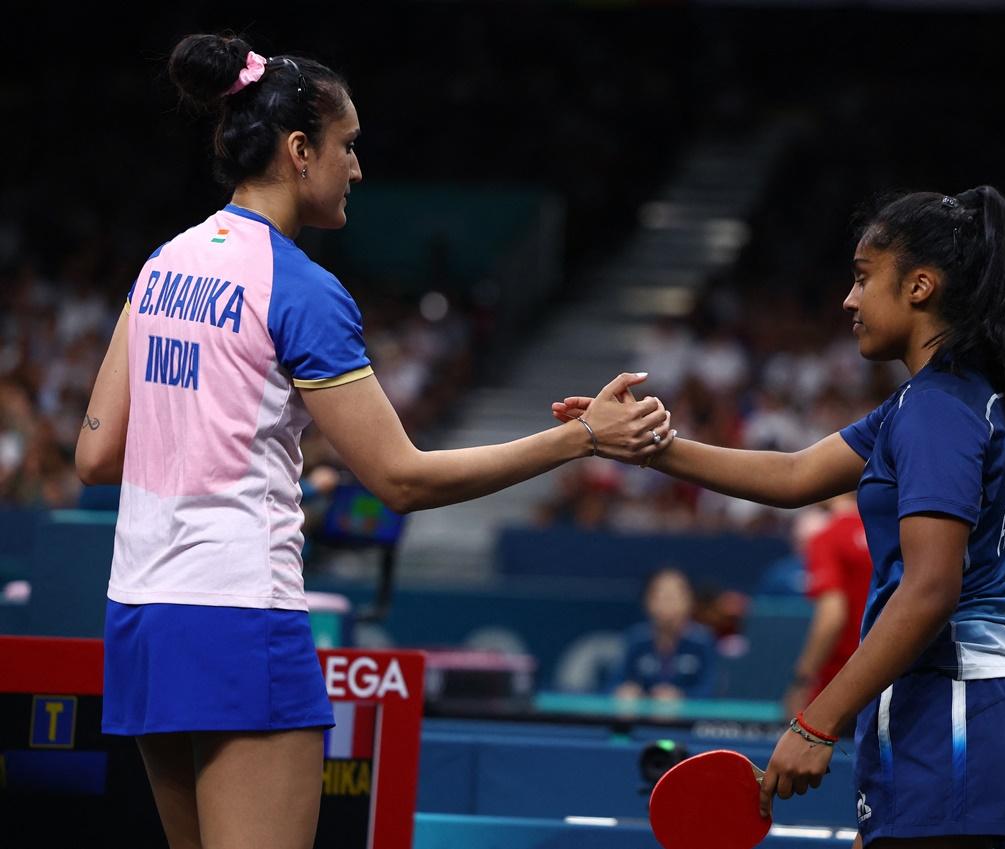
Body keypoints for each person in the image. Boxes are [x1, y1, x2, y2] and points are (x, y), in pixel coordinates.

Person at [75, 33, 673, 849]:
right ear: (298, 151)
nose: (356, 168)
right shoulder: (302, 290)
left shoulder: (161, 266)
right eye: (347, 146)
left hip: (141, 610)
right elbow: (402, 479)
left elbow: (97, 455)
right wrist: (580, 441)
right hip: (241, 616)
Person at [555, 186, 1005, 848]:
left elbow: (932, 588)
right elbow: (795, 475)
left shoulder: (936, 412)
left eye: (862, 277)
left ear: (920, 286)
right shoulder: (931, 403)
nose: (848, 300)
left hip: (957, 711)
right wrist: (645, 442)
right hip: (944, 713)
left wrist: (817, 722)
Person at [783, 492, 873, 722]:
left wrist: (803, 679)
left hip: (840, 686)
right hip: (892, 676)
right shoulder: (890, 531)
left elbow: (832, 615)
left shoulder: (827, 537)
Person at [610, 567, 717, 701]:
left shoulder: (703, 641)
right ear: (647, 601)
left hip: (688, 720)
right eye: (660, 595)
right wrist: (624, 691)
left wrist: (682, 697)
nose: (666, 602)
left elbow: (710, 689)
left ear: (690, 601)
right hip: (641, 719)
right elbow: (613, 683)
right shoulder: (635, 639)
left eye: (673, 596)